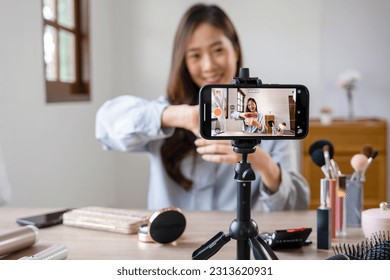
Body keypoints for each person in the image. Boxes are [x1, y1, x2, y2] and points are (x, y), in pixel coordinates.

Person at [95, 3, 310, 211]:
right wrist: (183, 116)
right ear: (184, 62)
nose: (208, 66)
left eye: (218, 50)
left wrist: (259, 160)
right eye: (195, 55)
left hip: (238, 244)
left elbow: (297, 207)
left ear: (235, 49)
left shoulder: (269, 117)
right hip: (172, 242)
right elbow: (105, 126)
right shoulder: (168, 113)